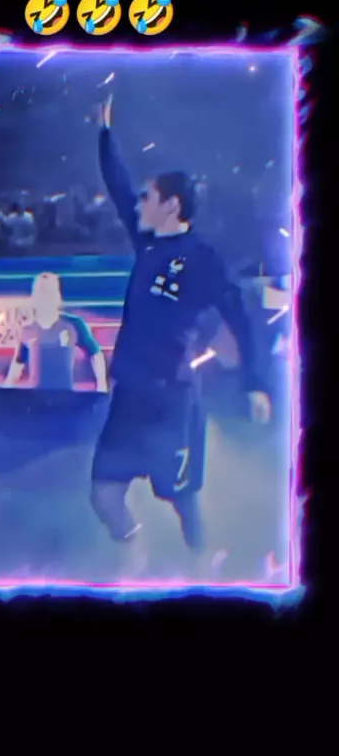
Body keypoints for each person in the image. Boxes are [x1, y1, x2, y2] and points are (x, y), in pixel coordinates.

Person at [90, 95, 271, 576]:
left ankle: (202, 569)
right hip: (129, 397)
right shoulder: (147, 243)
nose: (138, 204)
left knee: (180, 498)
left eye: (147, 197)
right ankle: (134, 551)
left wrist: (255, 382)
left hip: (171, 401)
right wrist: (105, 133)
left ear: (171, 205)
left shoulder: (204, 258)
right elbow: (118, 185)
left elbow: (241, 318)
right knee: (104, 494)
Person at [4, 272, 108, 391]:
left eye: (50, 292)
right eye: (42, 292)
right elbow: (18, 363)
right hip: (36, 397)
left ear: (57, 296)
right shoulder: (27, 329)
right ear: (34, 297)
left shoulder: (74, 324)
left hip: (65, 396)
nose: (46, 297)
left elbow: (95, 354)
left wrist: (102, 385)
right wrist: (5, 388)